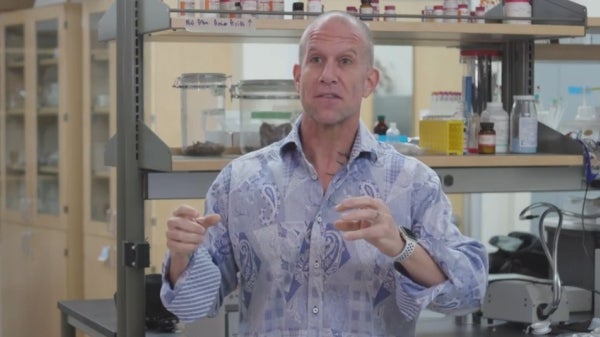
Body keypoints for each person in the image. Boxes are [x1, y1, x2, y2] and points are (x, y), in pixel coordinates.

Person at [161, 10, 488, 336]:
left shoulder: (412, 183)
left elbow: (468, 294)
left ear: (369, 81)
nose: (328, 75)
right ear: (297, 76)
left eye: (345, 61)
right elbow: (191, 306)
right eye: (316, 59)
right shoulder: (239, 181)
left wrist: (402, 246)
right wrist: (181, 255)